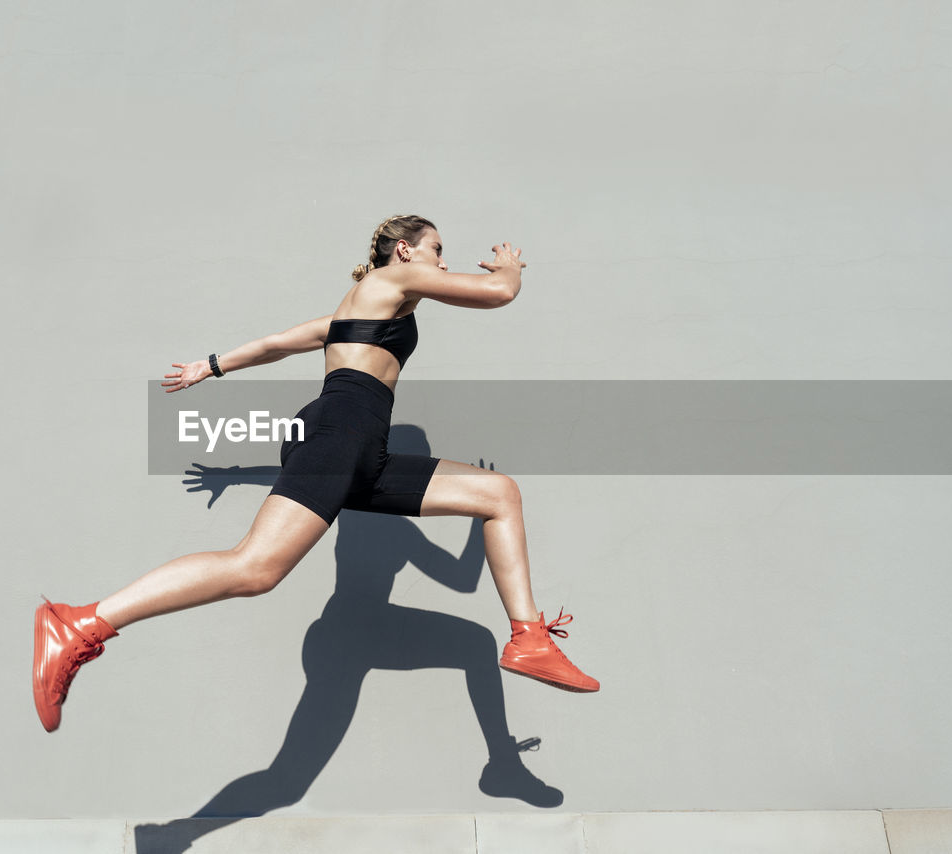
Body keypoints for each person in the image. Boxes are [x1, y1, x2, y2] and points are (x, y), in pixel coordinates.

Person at [33, 215, 599, 734]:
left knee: (497, 493)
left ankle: (527, 640)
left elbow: (277, 344)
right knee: (255, 568)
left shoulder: (358, 310)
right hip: (341, 429)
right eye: (438, 250)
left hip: (359, 446)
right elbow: (498, 293)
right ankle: (84, 622)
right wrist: (509, 267)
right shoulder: (391, 282)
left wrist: (210, 367)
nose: (445, 263)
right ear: (404, 251)